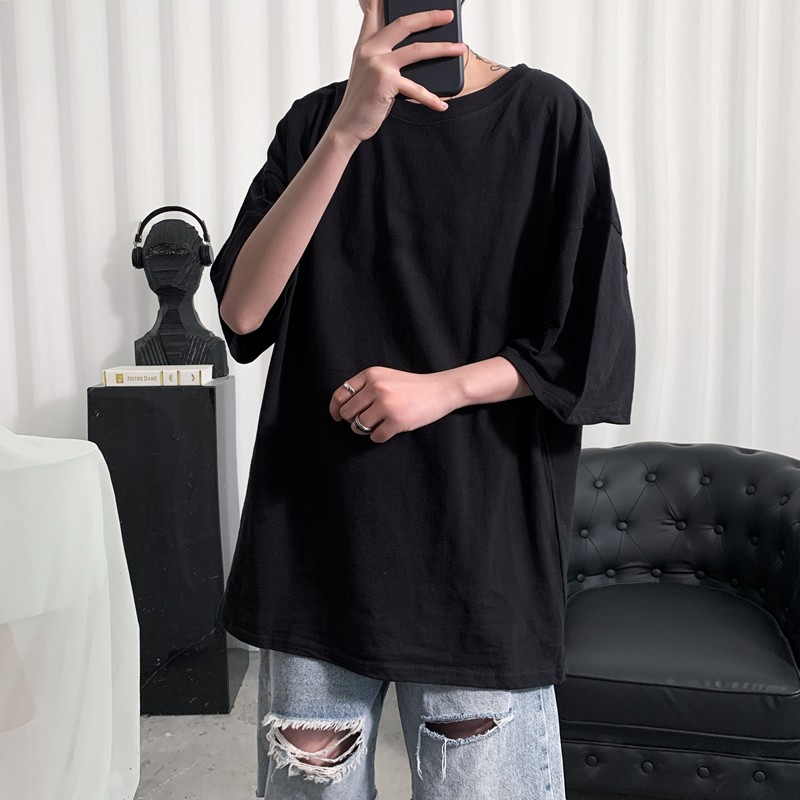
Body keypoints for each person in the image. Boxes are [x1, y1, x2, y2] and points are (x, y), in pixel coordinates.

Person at [209, 0, 636, 797]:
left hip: (477, 556)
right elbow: (241, 312)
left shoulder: (546, 119)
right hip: (316, 549)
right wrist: (348, 131)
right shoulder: (314, 126)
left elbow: (589, 343)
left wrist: (441, 390)